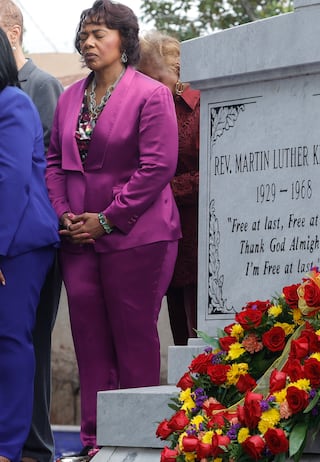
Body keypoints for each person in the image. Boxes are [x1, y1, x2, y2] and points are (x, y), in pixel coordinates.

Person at [45, 0, 181, 454]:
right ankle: (94, 444)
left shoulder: (150, 94)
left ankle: (138, 442)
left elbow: (158, 166)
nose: (88, 42)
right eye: (84, 35)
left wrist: (106, 220)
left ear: (124, 40)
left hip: (136, 235)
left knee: (134, 339)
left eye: (99, 34)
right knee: (89, 343)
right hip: (77, 239)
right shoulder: (68, 99)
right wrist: (65, 212)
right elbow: (53, 162)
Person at [0, 3, 63, 462]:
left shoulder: (14, 103)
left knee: (9, 338)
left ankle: (9, 448)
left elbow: (14, 180)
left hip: (17, 243)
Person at [138, 31, 199, 346]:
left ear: (175, 72)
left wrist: (163, 189)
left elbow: (216, 172)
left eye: (152, 78)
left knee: (200, 330)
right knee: (178, 331)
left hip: (199, 233)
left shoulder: (201, 105)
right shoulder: (145, 109)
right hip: (161, 234)